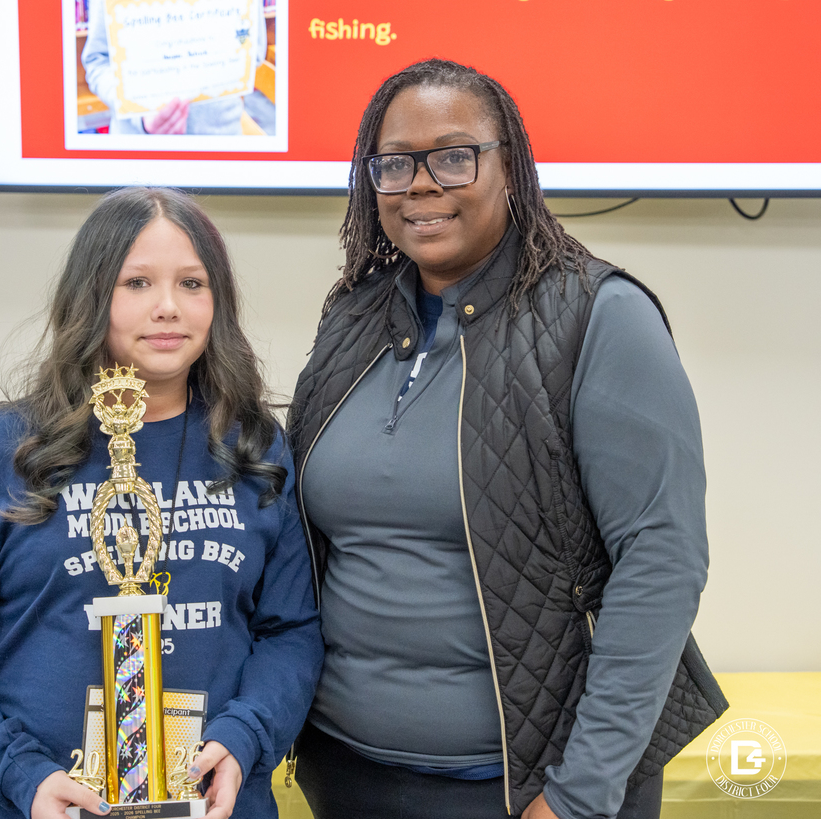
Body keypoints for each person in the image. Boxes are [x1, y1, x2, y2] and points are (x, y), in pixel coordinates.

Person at [286, 59, 727, 819]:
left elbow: (662, 558)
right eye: (395, 164)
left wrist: (580, 793)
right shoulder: (354, 315)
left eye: (455, 156)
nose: (421, 184)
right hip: (347, 772)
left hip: (528, 792)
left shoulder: (600, 315)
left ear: (511, 167)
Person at [0, 188, 323, 819]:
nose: (168, 307)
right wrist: (21, 776)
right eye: (136, 282)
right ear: (90, 297)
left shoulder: (256, 449)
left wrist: (246, 736)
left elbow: (291, 632)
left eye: (192, 283)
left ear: (217, 302)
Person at [81, 1, 267, 135]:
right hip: (139, 148)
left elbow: (254, 52)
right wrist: (141, 116)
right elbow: (97, 61)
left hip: (219, 143)